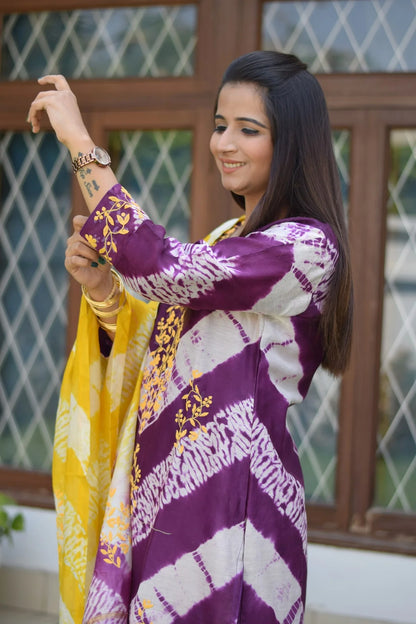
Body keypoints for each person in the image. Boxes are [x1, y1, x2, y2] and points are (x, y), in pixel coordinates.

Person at [28, 50, 353, 624]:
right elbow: (156, 346)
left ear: (292, 144)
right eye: (221, 124)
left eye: (248, 130)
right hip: (162, 496)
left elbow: (159, 265)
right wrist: (104, 289)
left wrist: (79, 138)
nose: (224, 143)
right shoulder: (231, 236)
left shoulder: (306, 249)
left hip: (231, 515)